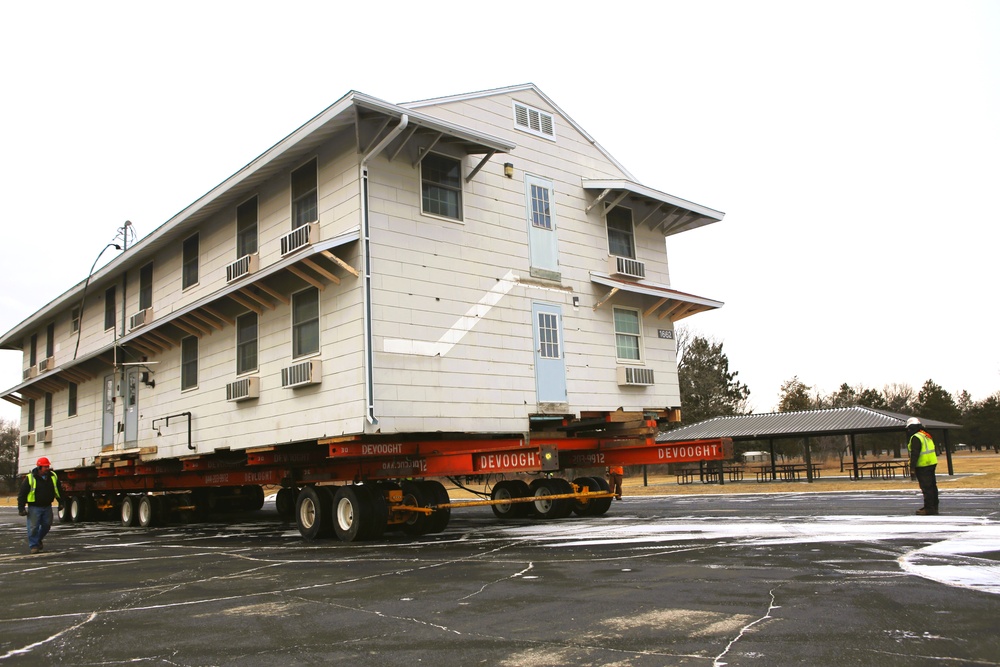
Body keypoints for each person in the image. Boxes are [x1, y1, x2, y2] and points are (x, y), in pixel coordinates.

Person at [16, 456, 63, 554]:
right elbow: (22, 494)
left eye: (48, 466)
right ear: (39, 467)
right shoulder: (30, 478)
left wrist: (61, 502)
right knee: (33, 527)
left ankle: (37, 540)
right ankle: (34, 546)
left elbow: (58, 490)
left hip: (47, 506)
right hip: (34, 507)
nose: (47, 468)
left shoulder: (53, 476)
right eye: (45, 467)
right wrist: (21, 508)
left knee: (47, 525)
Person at [906, 417, 939, 515]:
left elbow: (915, 453)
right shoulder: (926, 435)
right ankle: (933, 506)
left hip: (923, 465)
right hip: (931, 463)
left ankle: (929, 508)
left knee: (926, 488)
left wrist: (912, 468)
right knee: (932, 487)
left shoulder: (916, 437)